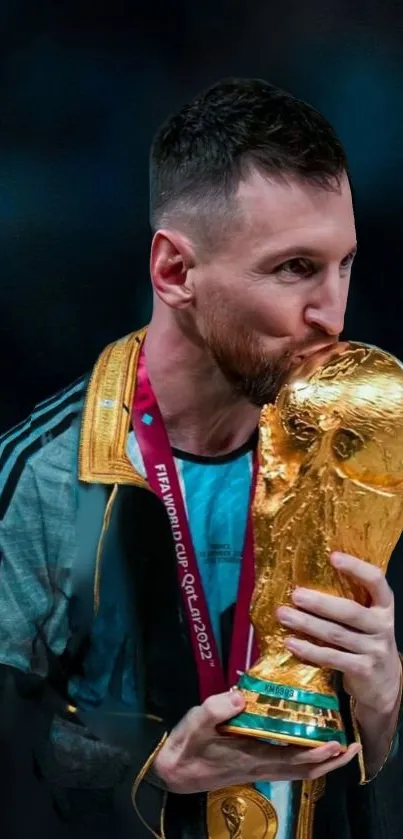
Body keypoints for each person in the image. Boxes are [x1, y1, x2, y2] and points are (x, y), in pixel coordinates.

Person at [0, 78, 402, 839]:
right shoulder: (44, 478)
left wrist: (383, 704)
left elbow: (372, 775)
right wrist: (154, 772)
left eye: (343, 263)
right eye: (292, 268)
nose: (332, 312)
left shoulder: (366, 455)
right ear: (175, 273)